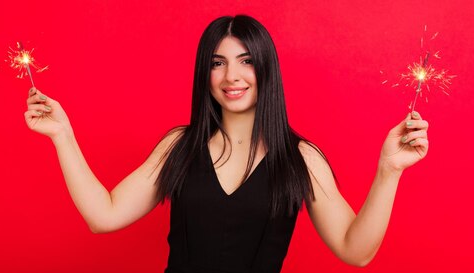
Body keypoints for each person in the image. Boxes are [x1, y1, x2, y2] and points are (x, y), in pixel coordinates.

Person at [24, 15, 429, 273]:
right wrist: (63, 135)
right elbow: (103, 216)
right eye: (218, 63)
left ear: (265, 68)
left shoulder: (300, 158)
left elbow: (354, 251)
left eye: (246, 60)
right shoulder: (178, 148)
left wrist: (388, 170)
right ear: (206, 73)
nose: (231, 75)